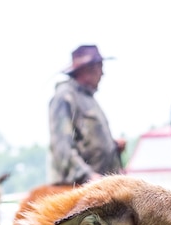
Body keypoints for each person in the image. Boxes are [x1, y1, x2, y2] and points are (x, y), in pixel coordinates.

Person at [48, 45, 125, 185]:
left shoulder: (88, 99)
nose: (102, 73)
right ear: (87, 69)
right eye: (99, 67)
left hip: (95, 187)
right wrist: (87, 176)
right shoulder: (65, 97)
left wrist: (113, 146)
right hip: (76, 190)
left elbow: (88, 142)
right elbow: (62, 148)